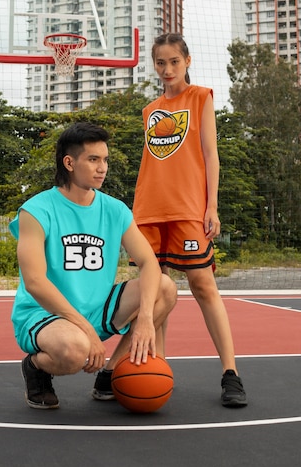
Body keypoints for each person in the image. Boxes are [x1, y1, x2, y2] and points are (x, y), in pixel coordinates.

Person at [10, 121, 177, 409]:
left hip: (97, 308)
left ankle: (110, 373)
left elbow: (149, 263)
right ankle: (36, 368)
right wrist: (86, 331)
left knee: (165, 287)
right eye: (93, 159)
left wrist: (146, 319)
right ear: (69, 163)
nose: (103, 168)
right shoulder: (36, 211)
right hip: (44, 315)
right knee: (76, 350)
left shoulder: (114, 209)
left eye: (105, 160)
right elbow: (35, 282)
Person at [132, 33, 247, 407]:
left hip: (187, 208)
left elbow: (210, 156)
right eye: (160, 63)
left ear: (187, 61)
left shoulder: (200, 98)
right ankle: (157, 367)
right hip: (149, 209)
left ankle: (230, 373)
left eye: (174, 62)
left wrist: (210, 205)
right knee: (157, 289)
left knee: (203, 286)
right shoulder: (150, 110)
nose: (167, 70)